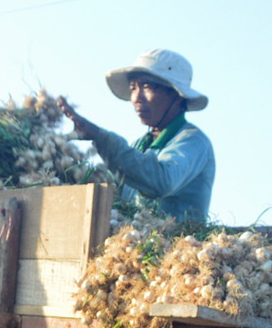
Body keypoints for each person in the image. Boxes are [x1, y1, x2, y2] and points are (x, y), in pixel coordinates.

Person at [59, 48, 214, 221]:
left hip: (172, 243)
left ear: (177, 95)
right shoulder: (139, 146)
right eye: (133, 88)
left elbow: (161, 181)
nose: (136, 98)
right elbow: (112, 191)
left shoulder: (193, 142)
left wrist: (99, 136)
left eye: (147, 86)